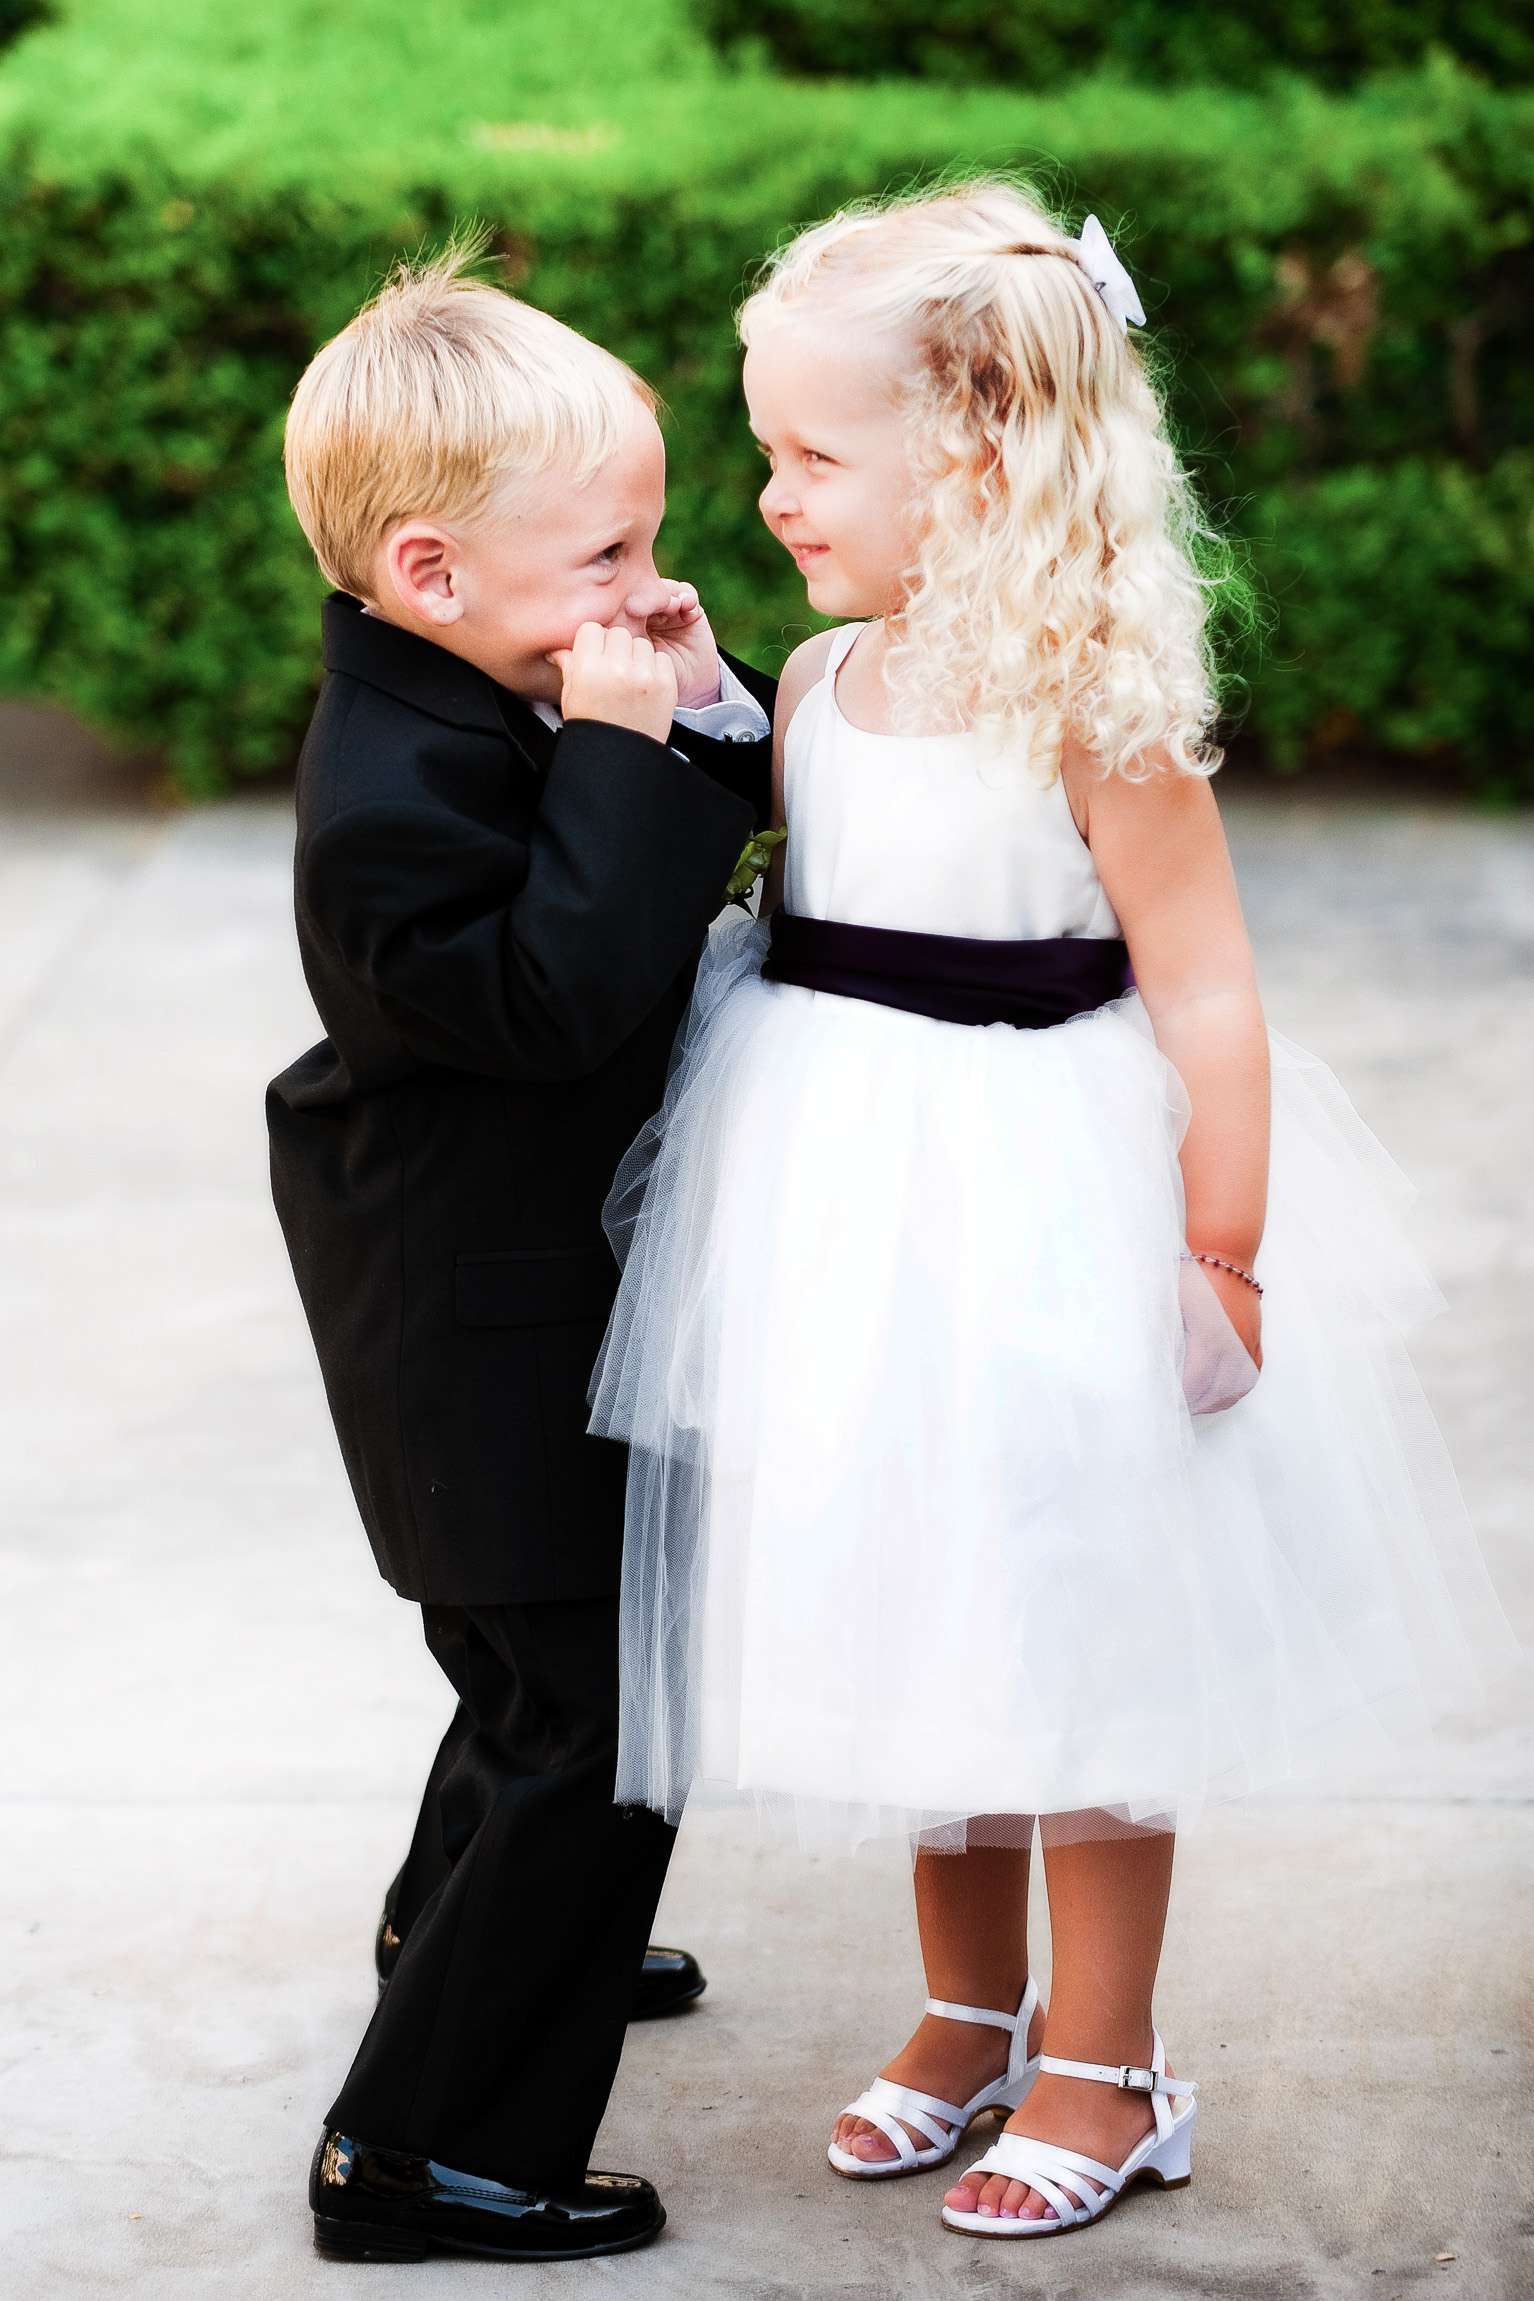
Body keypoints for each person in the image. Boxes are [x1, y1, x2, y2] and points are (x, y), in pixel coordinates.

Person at [586, 179, 1515, 2242]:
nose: (768, 493)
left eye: (813, 455)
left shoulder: (1086, 697)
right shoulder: (818, 679)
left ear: (979, 453)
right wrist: (688, 687)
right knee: (921, 1609)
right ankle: (960, 2009)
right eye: (768, 448)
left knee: (1067, 1616)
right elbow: (783, 841)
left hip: (1042, 1203)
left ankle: (1107, 2053)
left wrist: (1219, 1243)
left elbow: (1205, 987)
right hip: (841, 1206)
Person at [265, 242, 774, 2262]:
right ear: (428, 575)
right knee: (596, 1709)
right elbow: (566, 990)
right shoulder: (391, 790)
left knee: (524, 1681)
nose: (643, 591)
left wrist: (685, 706)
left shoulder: (503, 680)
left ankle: (463, 1933)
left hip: (501, 1276)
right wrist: (620, 748)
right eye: (602, 555)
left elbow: (646, 860)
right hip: (470, 1310)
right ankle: (428, 2146)